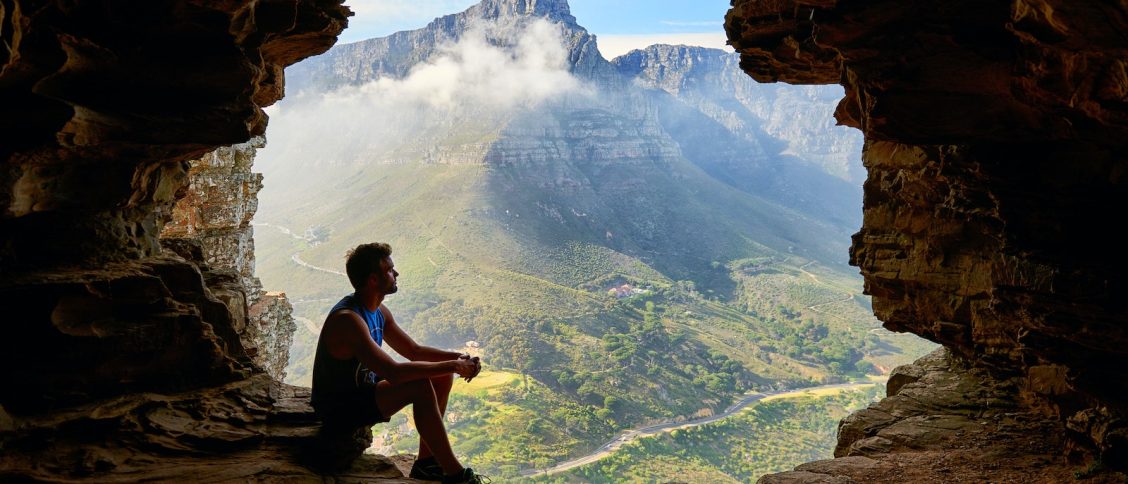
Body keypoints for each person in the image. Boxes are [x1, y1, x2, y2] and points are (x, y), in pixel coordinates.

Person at [311, 242, 485, 483]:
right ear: (373, 280)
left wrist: (457, 359)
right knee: (420, 385)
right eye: (390, 270)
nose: (396, 274)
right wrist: (454, 366)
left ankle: (427, 464)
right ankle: (457, 476)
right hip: (340, 408)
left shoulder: (378, 311)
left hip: (362, 391)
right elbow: (393, 372)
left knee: (440, 375)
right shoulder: (348, 320)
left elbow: (414, 350)